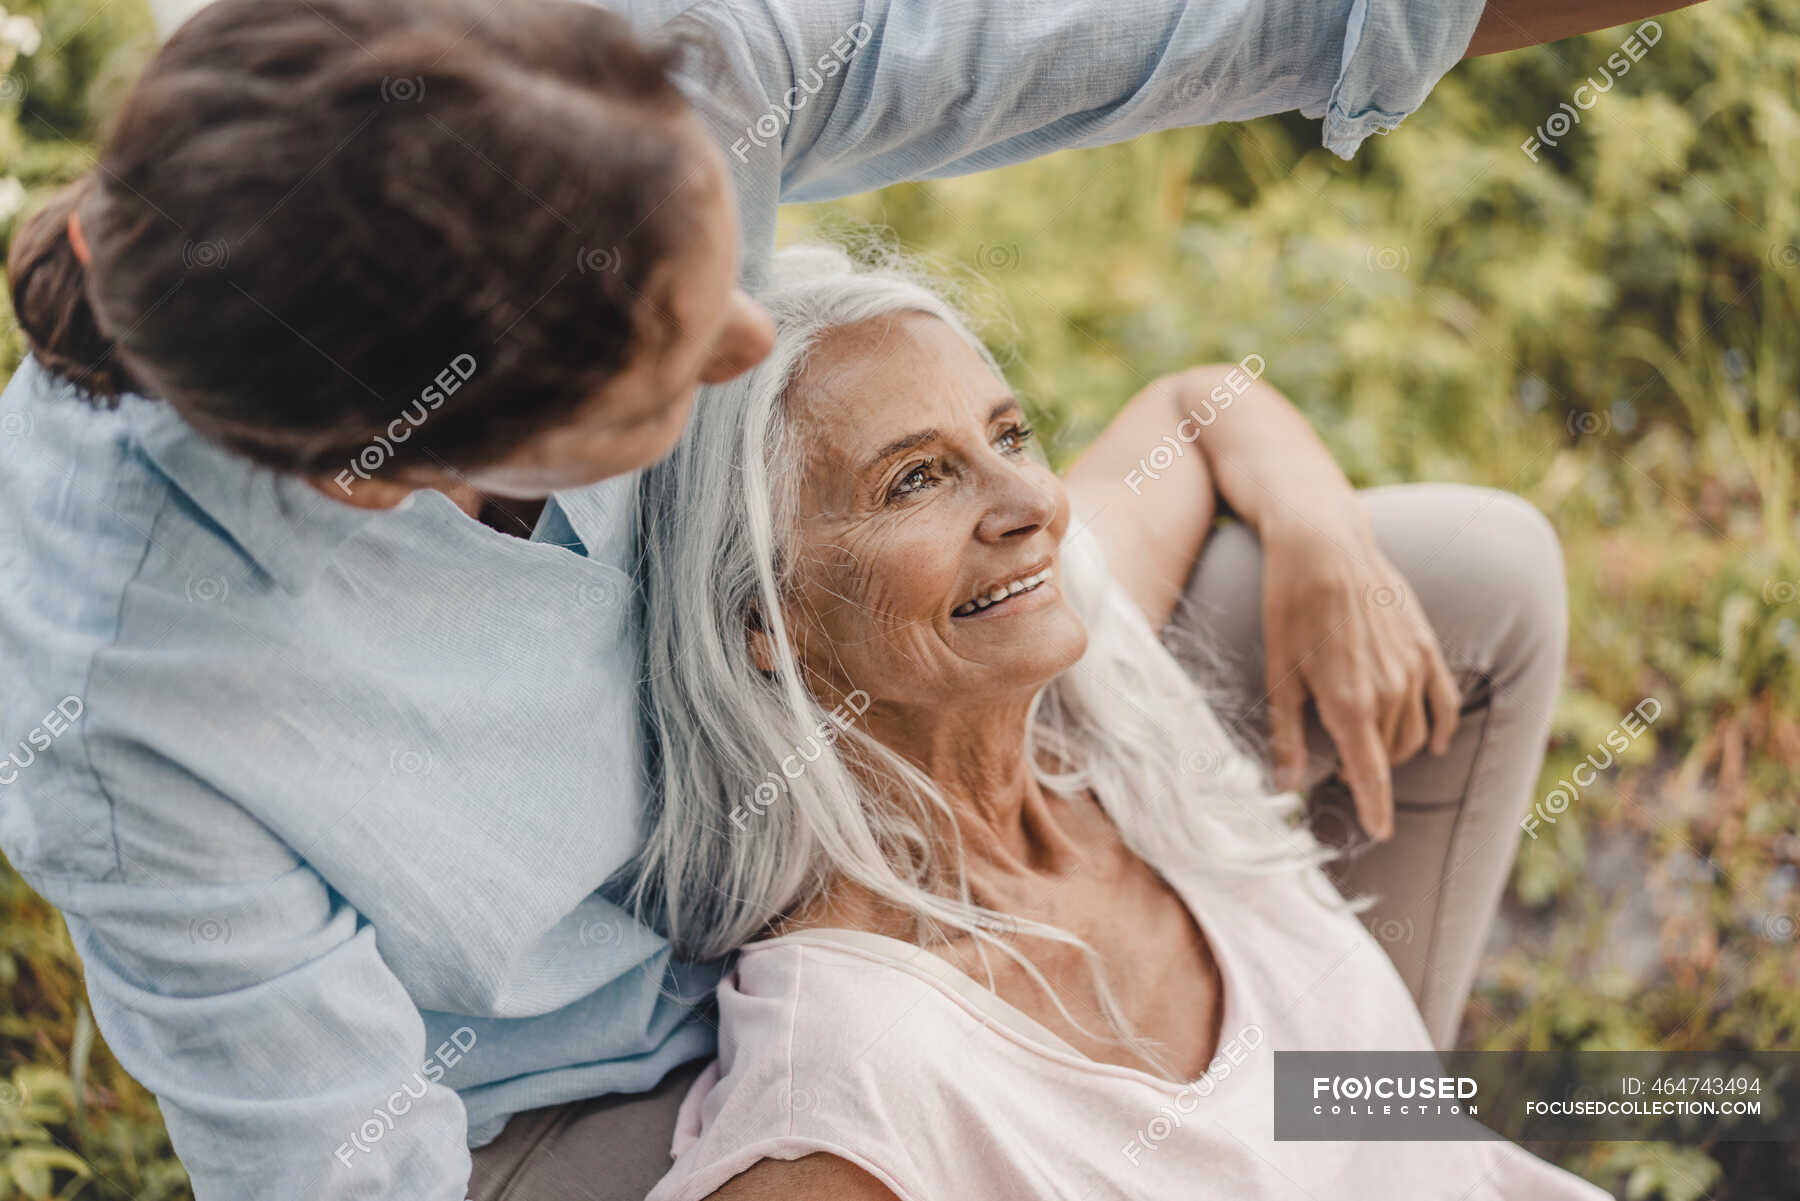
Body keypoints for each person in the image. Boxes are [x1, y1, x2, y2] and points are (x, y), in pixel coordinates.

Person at [0, 0, 1692, 1196]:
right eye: (671, 361)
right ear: (389, 470)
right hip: (585, 1082)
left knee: (1463, 584)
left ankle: (1351, 1133)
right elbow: (346, 1176)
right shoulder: (123, 691)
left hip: (847, 752)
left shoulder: (641, 52)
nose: (758, 337)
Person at [626, 241, 1592, 1200]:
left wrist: (1318, 527)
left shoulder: (1095, 673)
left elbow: (1195, 407)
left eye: (1008, 436)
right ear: (770, 621)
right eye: (914, 479)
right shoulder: (845, 1092)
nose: (1032, 503)